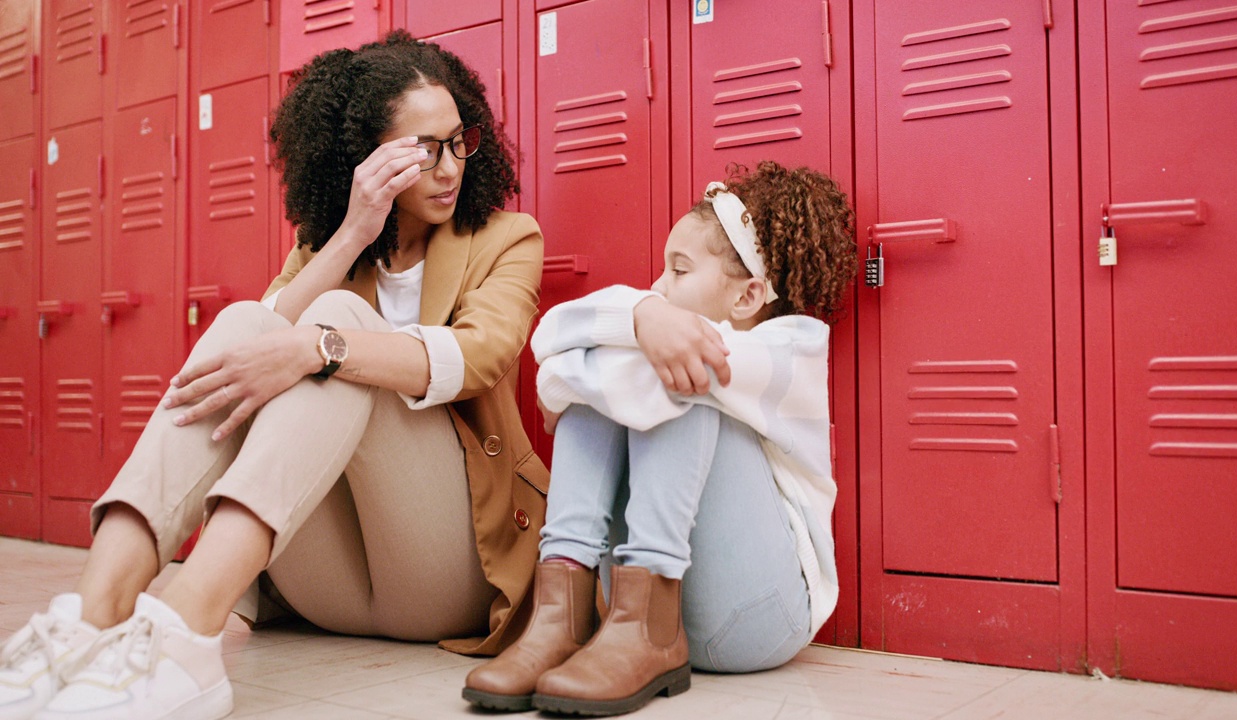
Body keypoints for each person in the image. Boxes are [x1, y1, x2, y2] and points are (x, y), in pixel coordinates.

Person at [0, 30, 548, 720]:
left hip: (445, 571)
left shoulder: (507, 237)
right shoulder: (326, 248)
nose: (450, 166)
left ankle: (186, 629)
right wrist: (352, 233)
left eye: (459, 139)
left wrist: (325, 347)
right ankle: (90, 615)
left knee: (331, 324)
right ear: (366, 159)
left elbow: (480, 356)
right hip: (324, 585)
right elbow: (261, 338)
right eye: (423, 150)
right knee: (247, 325)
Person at [463, 161, 857, 715]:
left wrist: (635, 326)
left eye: (678, 270)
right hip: (639, 616)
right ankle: (561, 619)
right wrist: (644, 317)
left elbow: (562, 355)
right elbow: (551, 343)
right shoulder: (661, 325)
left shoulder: (792, 349)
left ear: (747, 298)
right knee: (611, 370)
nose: (657, 285)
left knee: (682, 365)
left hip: (758, 615)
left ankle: (642, 629)